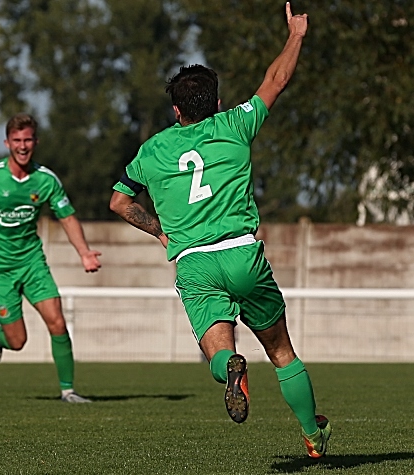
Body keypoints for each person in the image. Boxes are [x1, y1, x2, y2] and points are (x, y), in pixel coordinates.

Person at [109, 3, 331, 458]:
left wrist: (160, 232)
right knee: (282, 352)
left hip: (193, 263)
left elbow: (118, 201)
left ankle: (231, 368)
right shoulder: (235, 125)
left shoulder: (152, 150)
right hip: (241, 254)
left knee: (217, 352)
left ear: (175, 110)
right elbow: (276, 81)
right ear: (215, 102)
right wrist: (296, 35)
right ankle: (313, 435)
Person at [0, 113, 101, 403]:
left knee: (57, 322)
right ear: (7, 142)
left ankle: (68, 391)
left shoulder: (45, 180)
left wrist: (84, 252)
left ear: (36, 141)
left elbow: (67, 217)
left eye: (28, 139)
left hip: (32, 263)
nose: (22, 146)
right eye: (17, 140)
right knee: (17, 342)